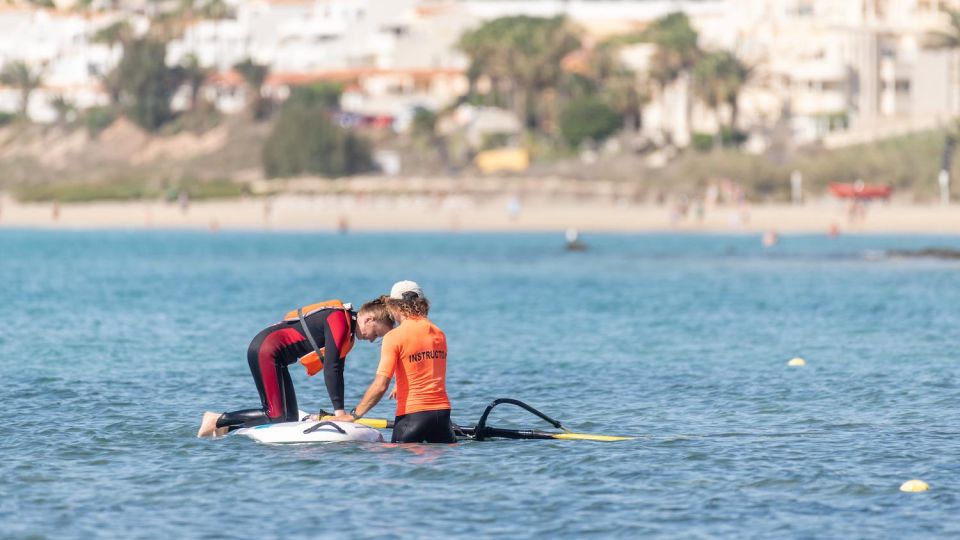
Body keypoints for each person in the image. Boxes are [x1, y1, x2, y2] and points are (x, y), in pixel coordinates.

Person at [197, 297, 395, 437]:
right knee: (275, 415)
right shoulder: (339, 320)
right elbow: (331, 367)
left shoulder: (347, 331)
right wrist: (340, 413)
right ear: (369, 319)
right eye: (376, 333)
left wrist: (340, 412)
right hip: (266, 351)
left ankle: (226, 430)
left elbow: (337, 371)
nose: (372, 340)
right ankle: (217, 419)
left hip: (276, 359)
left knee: (287, 419)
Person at [333, 281, 455, 443]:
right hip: (442, 416)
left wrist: (354, 415)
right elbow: (423, 365)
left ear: (394, 306)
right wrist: (400, 381)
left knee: (395, 462)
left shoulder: (394, 336)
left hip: (412, 418)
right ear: (422, 303)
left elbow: (381, 385)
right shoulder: (439, 333)